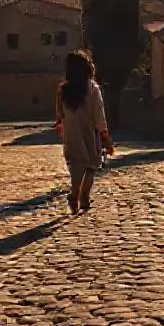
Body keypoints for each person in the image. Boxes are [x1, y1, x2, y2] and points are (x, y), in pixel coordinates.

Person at [53, 50, 114, 215]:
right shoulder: (92, 88)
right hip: (89, 133)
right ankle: (84, 196)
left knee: (75, 165)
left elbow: (60, 114)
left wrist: (60, 125)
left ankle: (74, 193)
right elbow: (99, 114)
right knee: (92, 165)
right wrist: (106, 137)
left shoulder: (63, 90)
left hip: (71, 133)